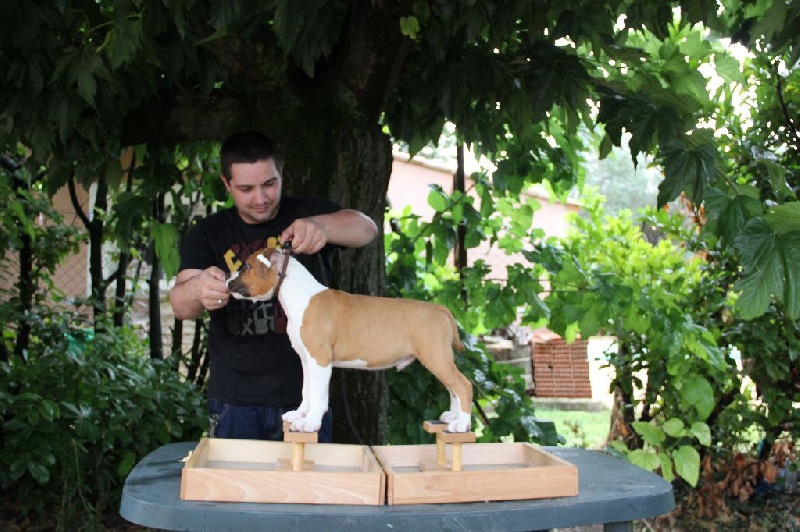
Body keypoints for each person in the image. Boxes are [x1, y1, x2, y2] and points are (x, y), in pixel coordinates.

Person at [169, 131, 378, 443]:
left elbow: (367, 228)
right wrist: (198, 288)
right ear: (226, 184)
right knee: (237, 477)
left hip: (307, 397)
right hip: (235, 401)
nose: (261, 198)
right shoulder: (209, 231)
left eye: (269, 183)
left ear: (281, 172)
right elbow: (180, 305)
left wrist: (322, 227)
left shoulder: (308, 211)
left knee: (310, 477)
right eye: (246, 189)